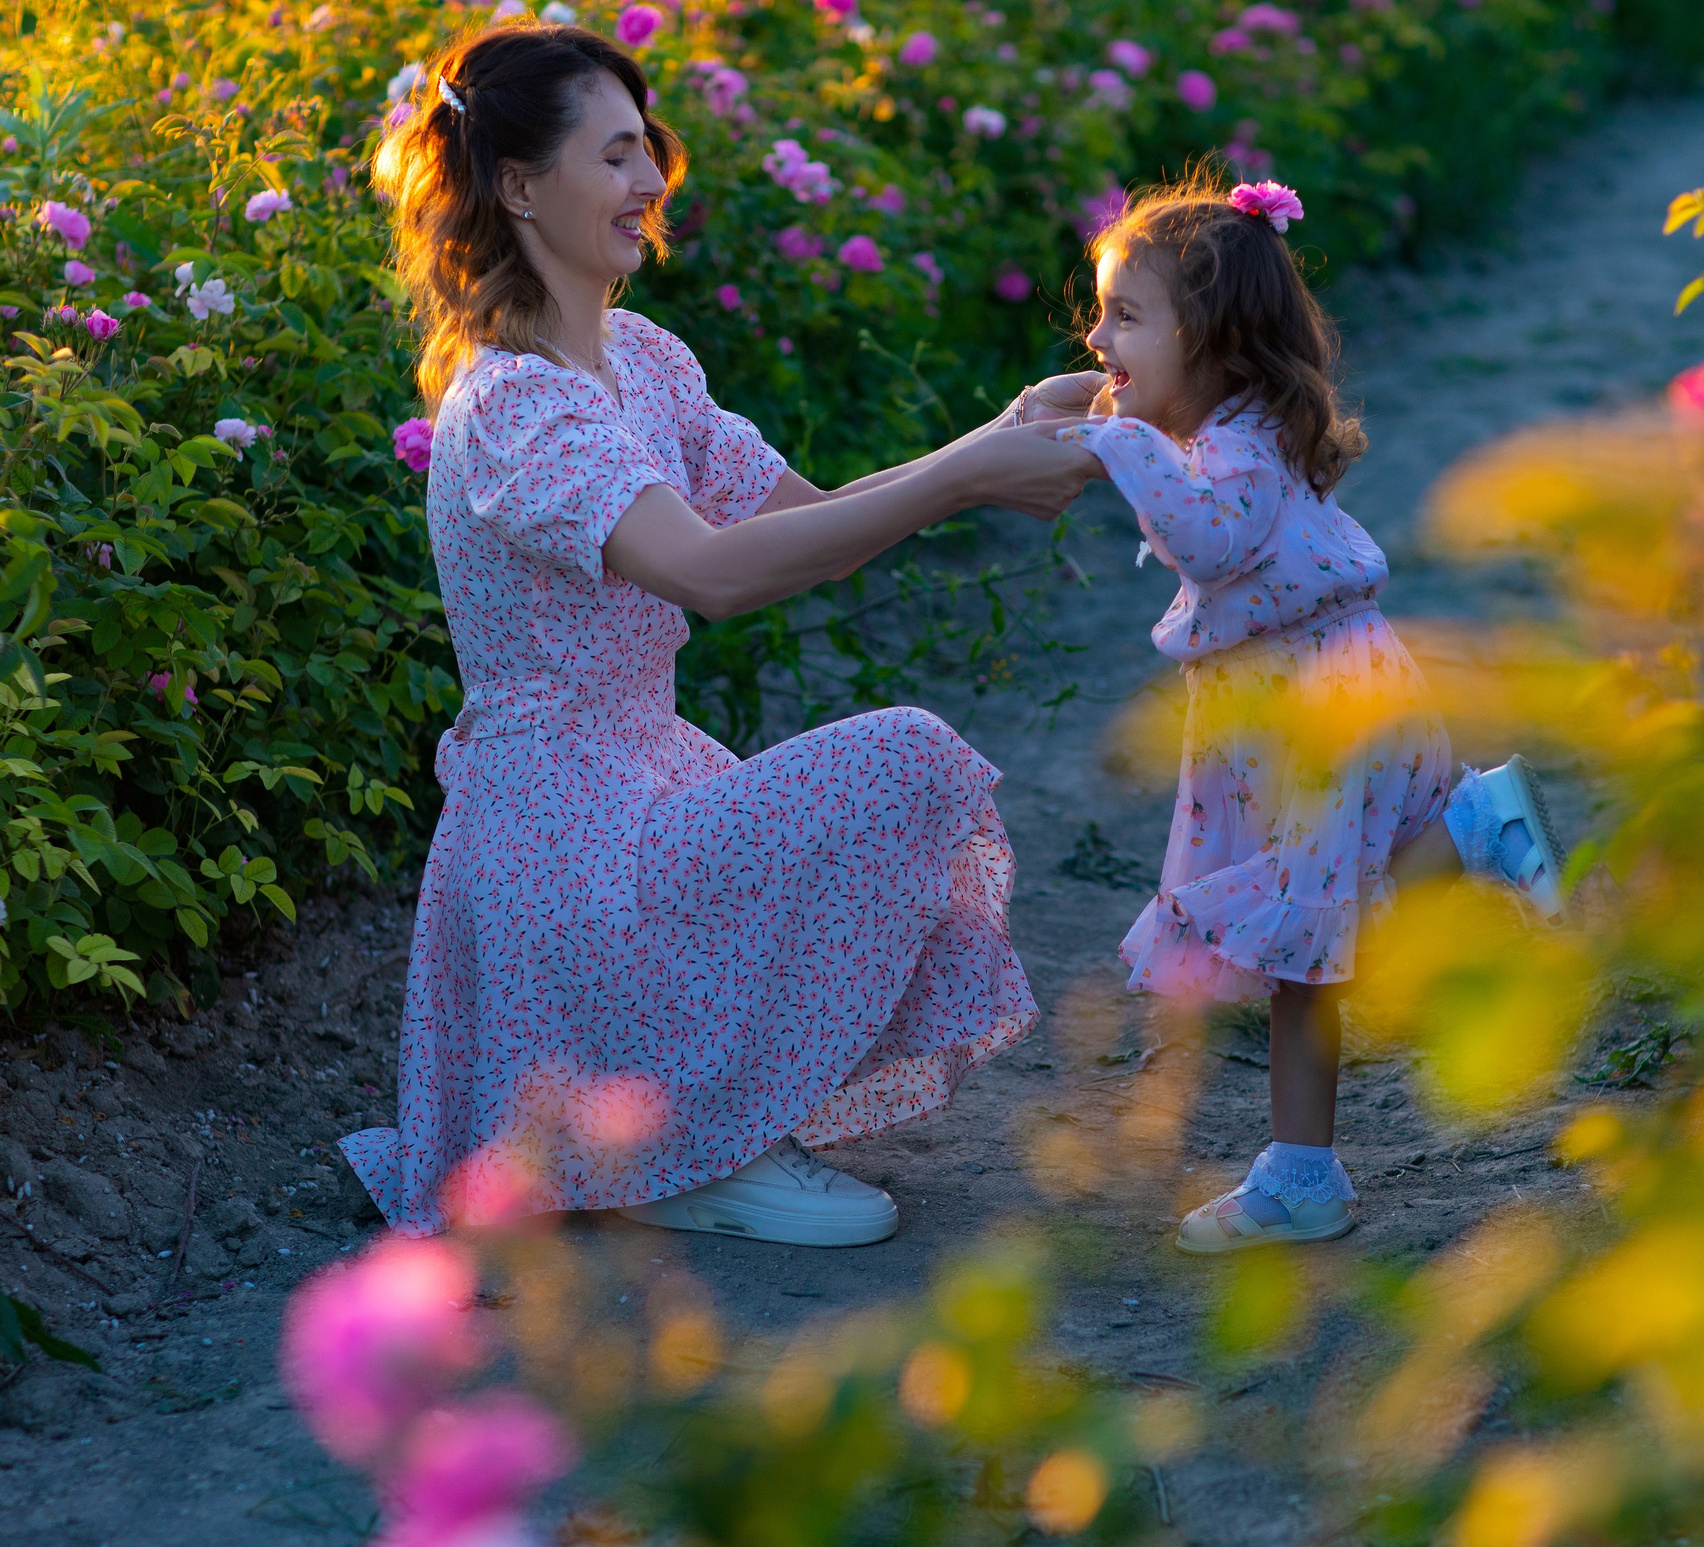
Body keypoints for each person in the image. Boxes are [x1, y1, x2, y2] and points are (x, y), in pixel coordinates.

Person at [339, 23, 1102, 1247]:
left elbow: (805, 522)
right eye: (618, 155)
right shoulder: (518, 400)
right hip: (557, 847)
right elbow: (709, 574)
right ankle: (685, 1151)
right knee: (903, 755)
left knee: (891, 773)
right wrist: (966, 477)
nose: (652, 184)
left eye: (649, 151)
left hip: (638, 787)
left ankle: (699, 1130)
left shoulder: (640, 359)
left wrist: (999, 429)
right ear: (521, 186)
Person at [1053, 170, 1567, 1255]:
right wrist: (1113, 428)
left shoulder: (1233, 448)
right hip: (1316, 696)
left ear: (1216, 338)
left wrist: (1115, 443)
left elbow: (1207, 540)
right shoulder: (1241, 427)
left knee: (1305, 941)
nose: (1096, 338)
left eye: (1125, 316)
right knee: (1321, 920)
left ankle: (1303, 1175)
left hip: (1313, 716)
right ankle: (1470, 835)